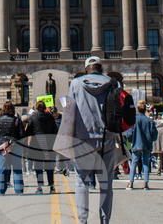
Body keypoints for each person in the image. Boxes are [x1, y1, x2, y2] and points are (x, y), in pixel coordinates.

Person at [54, 56, 135, 224]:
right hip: (107, 137)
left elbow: (69, 112)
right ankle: (104, 220)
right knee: (106, 183)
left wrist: (66, 140)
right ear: (101, 68)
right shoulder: (113, 83)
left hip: (83, 138)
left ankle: (82, 221)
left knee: (81, 181)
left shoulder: (76, 83)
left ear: (86, 69)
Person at [25, 100, 58, 194]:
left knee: (38, 166)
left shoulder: (32, 118)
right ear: (44, 107)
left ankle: (40, 187)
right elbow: (55, 131)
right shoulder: (50, 117)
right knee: (49, 166)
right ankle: (51, 186)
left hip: (37, 143)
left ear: (36, 107)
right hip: (48, 143)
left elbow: (28, 132)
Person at [0, 100, 24, 195]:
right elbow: (22, 134)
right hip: (15, 145)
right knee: (17, 168)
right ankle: (19, 190)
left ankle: (0, 190)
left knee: (2, 169)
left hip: (3, 146)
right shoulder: (17, 120)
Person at [125, 100, 158, 190]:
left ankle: (131, 183)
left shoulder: (134, 120)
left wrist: (130, 140)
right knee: (146, 163)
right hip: (147, 143)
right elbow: (154, 134)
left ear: (138, 109)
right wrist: (151, 139)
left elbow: (129, 133)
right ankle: (145, 183)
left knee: (134, 163)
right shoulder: (149, 121)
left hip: (136, 142)